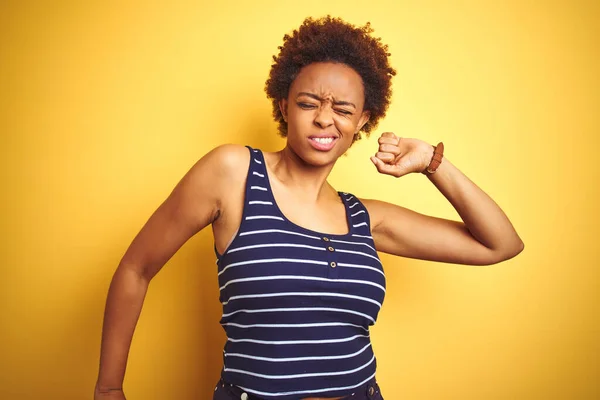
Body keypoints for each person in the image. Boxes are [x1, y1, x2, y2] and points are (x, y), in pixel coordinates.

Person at [94, 15, 524, 400]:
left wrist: (433, 161)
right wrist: (109, 388)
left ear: (361, 122)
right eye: (307, 103)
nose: (324, 119)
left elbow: (500, 244)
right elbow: (136, 268)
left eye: (343, 109)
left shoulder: (366, 219)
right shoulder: (233, 174)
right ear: (283, 105)